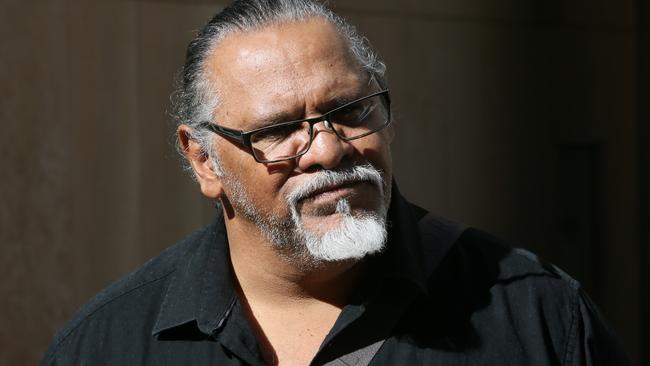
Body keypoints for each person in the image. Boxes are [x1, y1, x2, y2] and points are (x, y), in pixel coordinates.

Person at [40, 0, 632, 365]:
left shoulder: (536, 314)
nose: (328, 149)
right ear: (203, 161)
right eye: (277, 129)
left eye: (351, 111)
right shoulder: (107, 344)